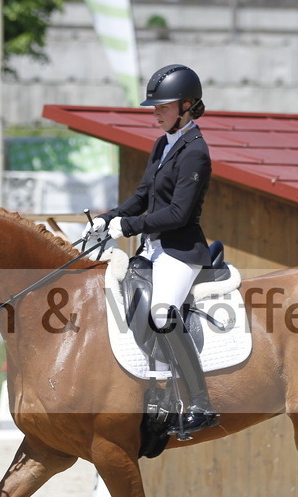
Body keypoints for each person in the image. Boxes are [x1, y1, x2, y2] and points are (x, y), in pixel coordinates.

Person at [89, 63, 218, 435]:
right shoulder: (164, 143)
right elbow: (143, 196)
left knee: (162, 314)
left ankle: (200, 402)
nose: (156, 113)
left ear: (187, 106)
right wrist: (108, 218)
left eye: (163, 107)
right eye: (155, 107)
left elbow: (178, 214)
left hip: (180, 250)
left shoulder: (195, 151)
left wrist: (128, 226)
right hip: (152, 248)